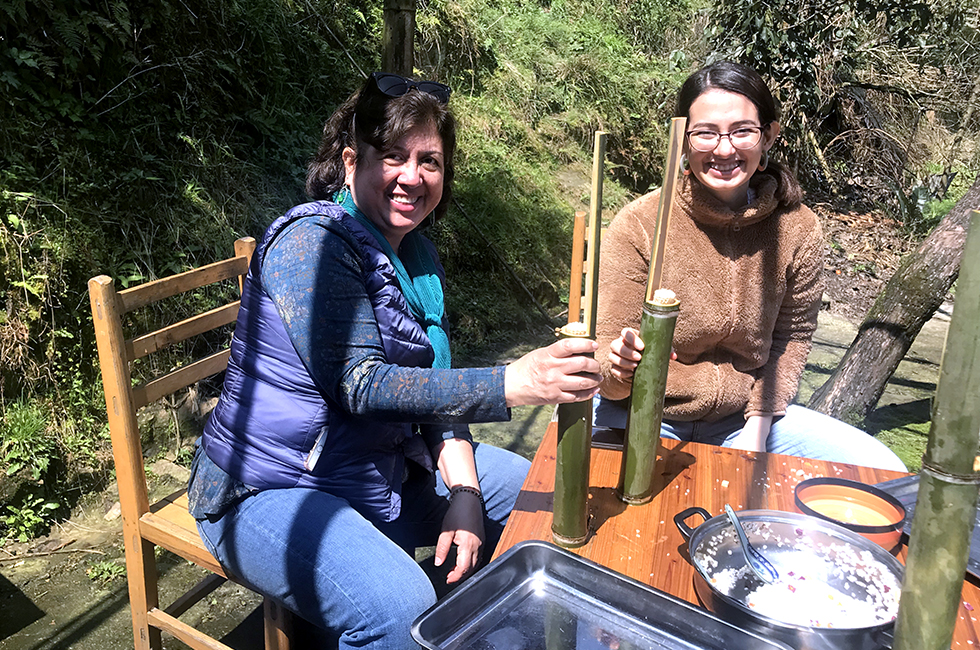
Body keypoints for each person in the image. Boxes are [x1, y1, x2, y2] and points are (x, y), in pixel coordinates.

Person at [186, 71, 601, 650]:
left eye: (429, 161)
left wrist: (465, 494)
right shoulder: (315, 243)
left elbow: (434, 389)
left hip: (376, 467)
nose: (412, 177)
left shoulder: (418, 256)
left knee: (549, 490)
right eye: (393, 156)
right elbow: (361, 385)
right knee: (399, 605)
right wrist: (513, 382)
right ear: (352, 162)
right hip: (265, 487)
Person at [594, 61, 905, 472]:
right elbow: (606, 354)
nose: (725, 149)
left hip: (743, 418)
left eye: (742, 131)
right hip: (647, 412)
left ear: (768, 135)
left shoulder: (798, 228)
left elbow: (792, 337)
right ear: (682, 141)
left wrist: (755, 434)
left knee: (878, 465)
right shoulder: (639, 224)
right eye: (705, 133)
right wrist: (619, 366)